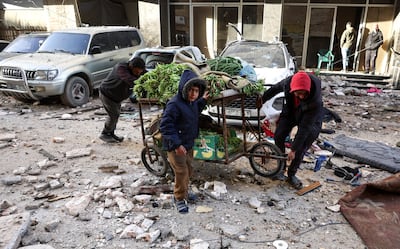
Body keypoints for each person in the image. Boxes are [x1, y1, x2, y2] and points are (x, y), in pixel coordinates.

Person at [257, 71, 323, 190]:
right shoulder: (288, 82)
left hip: (310, 117)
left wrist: (293, 149)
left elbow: (304, 128)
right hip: (291, 111)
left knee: (302, 145)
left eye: (304, 94)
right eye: (298, 93)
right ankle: (280, 168)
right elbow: (274, 89)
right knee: (279, 135)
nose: (301, 97)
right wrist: (262, 99)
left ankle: (291, 174)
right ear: (292, 89)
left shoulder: (315, 100)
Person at [160, 69, 208, 213]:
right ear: (184, 89)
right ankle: (179, 198)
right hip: (176, 146)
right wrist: (177, 144)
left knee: (189, 169)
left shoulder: (192, 102)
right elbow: (165, 126)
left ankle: (185, 192)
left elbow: (195, 109)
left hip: (187, 143)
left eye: (196, 91)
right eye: (191, 90)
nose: (193, 94)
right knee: (181, 171)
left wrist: (203, 100)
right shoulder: (174, 104)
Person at [99, 57, 146, 143]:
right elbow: (128, 79)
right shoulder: (121, 68)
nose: (138, 73)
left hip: (116, 97)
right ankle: (105, 134)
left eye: (140, 71)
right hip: (107, 94)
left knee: (115, 115)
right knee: (114, 115)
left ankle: (111, 134)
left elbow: (145, 74)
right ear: (131, 66)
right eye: (137, 71)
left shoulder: (138, 70)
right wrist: (143, 83)